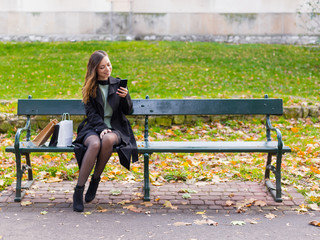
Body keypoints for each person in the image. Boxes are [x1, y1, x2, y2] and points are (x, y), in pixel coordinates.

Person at [72, 50, 138, 212]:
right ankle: (79, 190)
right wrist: (101, 128)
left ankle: (95, 180)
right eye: (102, 67)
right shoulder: (89, 87)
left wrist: (126, 97)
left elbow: (128, 111)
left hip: (116, 128)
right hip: (93, 127)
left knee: (107, 139)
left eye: (108, 65)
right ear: (95, 69)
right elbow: (91, 114)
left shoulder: (118, 84)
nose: (107, 69)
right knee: (94, 144)